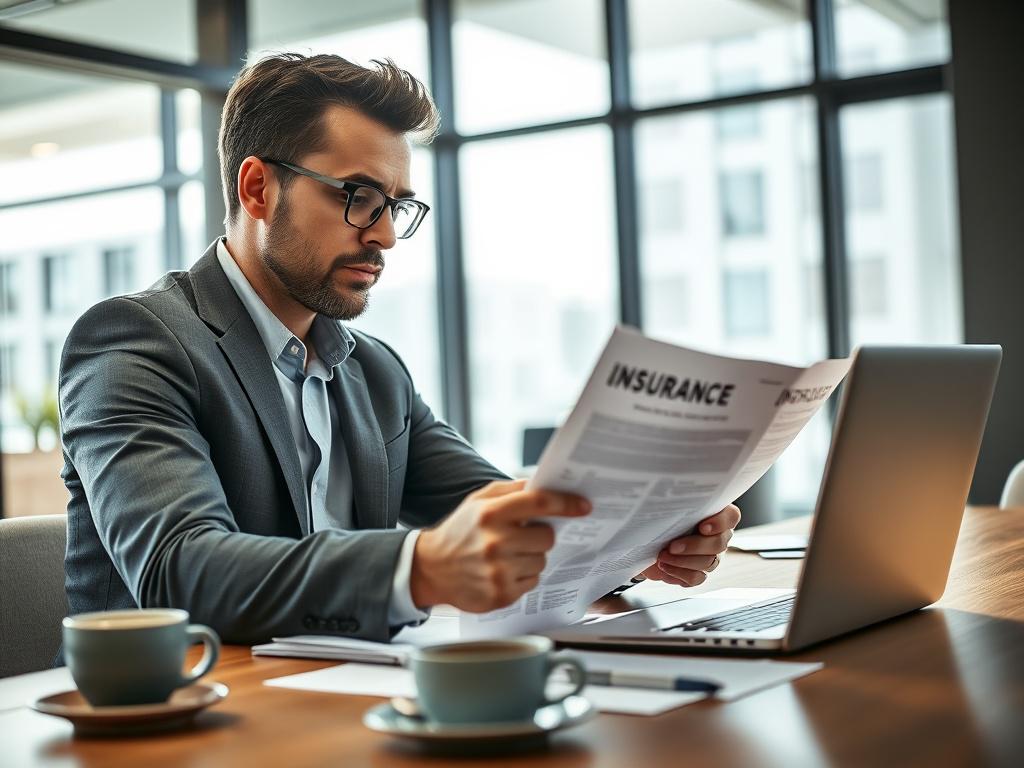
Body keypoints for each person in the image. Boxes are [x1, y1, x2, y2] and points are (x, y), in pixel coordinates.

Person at [58, 53, 740, 644]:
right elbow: (179, 570)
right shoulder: (135, 341)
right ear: (258, 188)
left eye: (397, 205)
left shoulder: (373, 370)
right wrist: (421, 568)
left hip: (344, 692)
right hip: (178, 717)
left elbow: (498, 513)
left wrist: (641, 536)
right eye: (359, 196)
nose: (384, 235)